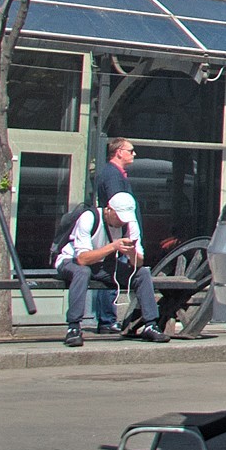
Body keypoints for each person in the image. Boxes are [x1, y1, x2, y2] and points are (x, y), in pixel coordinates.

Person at [51, 189, 168, 347]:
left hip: (103, 264)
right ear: (109, 210)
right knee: (82, 272)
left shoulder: (129, 225)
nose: (121, 222)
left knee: (142, 273)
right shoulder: (89, 218)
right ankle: (73, 327)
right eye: (119, 216)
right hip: (71, 260)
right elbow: (82, 259)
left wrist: (132, 252)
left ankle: (151, 324)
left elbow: (138, 263)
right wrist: (114, 247)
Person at [89, 138, 136, 333]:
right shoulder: (112, 175)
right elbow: (118, 204)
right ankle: (107, 319)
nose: (134, 154)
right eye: (131, 150)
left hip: (116, 232)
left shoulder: (114, 174)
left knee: (113, 271)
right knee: (112, 272)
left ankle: (107, 319)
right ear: (118, 152)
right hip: (115, 233)